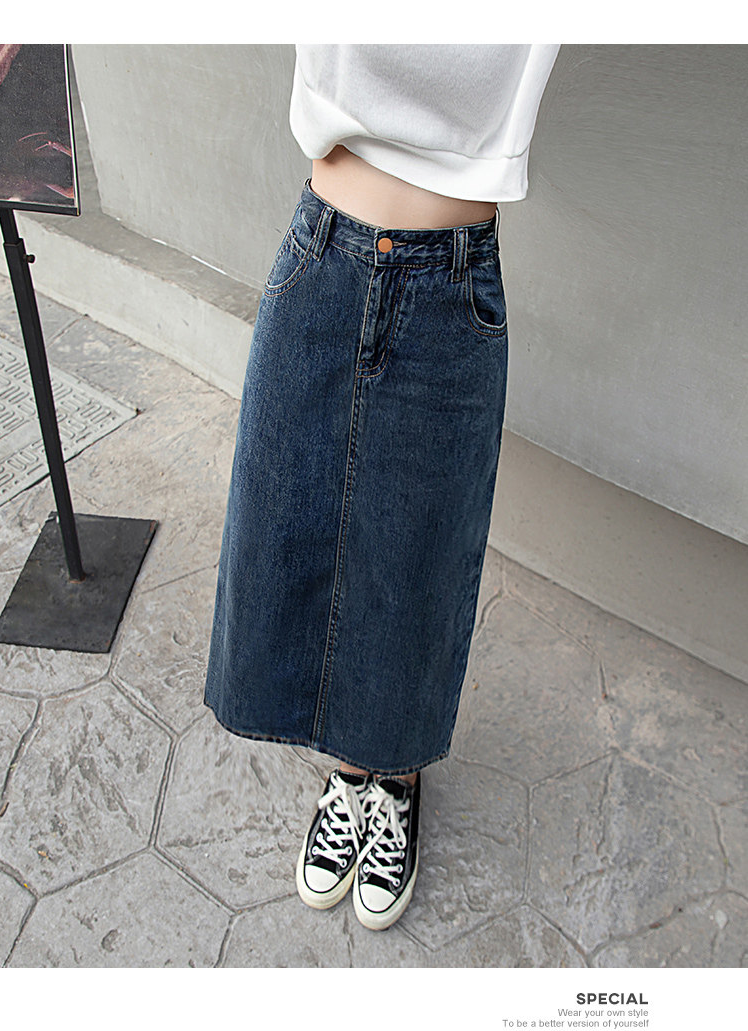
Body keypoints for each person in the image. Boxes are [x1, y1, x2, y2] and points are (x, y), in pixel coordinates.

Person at [204, 43, 560, 931]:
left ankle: (393, 777)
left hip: (451, 282)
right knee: (286, 526)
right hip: (321, 250)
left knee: (414, 561)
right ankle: (349, 769)